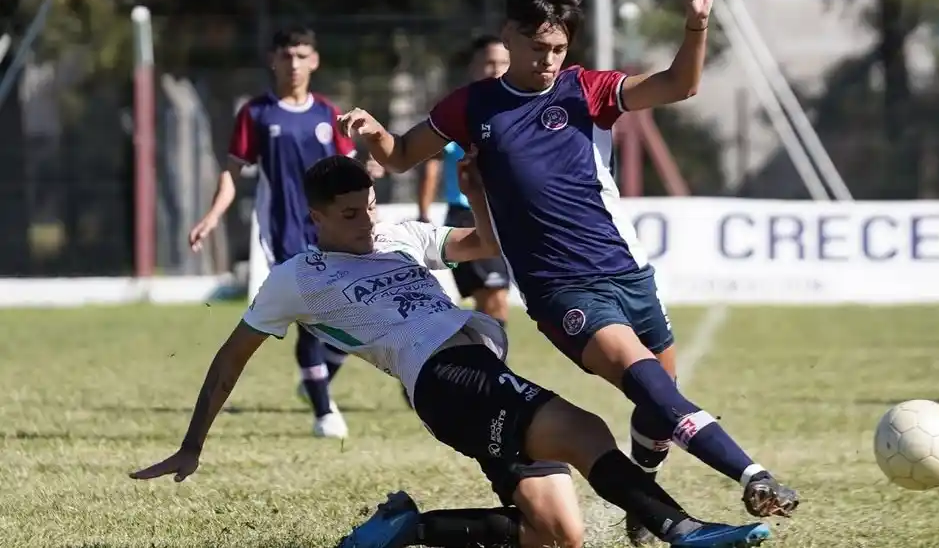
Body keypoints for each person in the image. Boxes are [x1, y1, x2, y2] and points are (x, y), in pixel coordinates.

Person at [336, 0, 799, 542]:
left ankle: (643, 507)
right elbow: (404, 155)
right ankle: (753, 476)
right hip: (563, 291)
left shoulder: (587, 90)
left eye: (559, 48)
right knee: (650, 385)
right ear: (509, 35)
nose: (550, 60)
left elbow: (680, 84)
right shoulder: (473, 105)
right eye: (538, 47)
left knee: (658, 407)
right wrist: (375, 132)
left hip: (629, 272)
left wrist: (697, 20)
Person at [130, 154, 772, 548]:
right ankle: (683, 530)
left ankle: (412, 528)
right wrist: (193, 444)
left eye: (370, 206)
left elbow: (485, 243)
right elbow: (231, 358)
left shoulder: (400, 235)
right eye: (350, 214)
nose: (367, 221)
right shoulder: (295, 277)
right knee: (586, 429)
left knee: (557, 538)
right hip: (444, 377)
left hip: (476, 375)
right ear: (317, 218)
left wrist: (477, 188)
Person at [188, 25, 381, 439]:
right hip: (283, 231)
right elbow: (233, 172)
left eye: (301, 55)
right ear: (273, 60)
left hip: (331, 230)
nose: (293, 63)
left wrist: (371, 176)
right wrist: (212, 216)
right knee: (309, 314)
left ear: (314, 60)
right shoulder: (257, 113)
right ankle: (324, 410)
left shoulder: (327, 113)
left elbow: (348, 174)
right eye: (286, 55)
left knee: (355, 310)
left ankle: (317, 376)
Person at [417, 35, 512, 326]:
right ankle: (489, 368)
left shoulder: (515, 109)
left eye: (503, 63)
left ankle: (481, 365)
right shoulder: (458, 109)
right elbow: (431, 164)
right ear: (474, 66)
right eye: (489, 63)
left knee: (494, 302)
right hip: (467, 214)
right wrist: (423, 212)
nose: (496, 70)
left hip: (505, 213)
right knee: (493, 297)